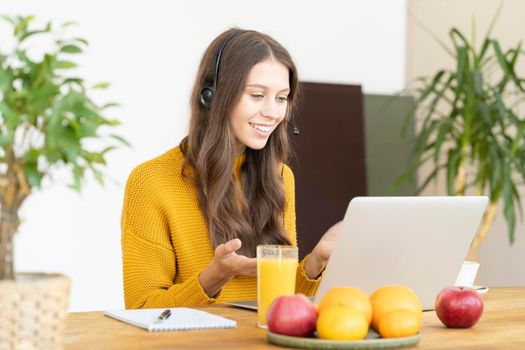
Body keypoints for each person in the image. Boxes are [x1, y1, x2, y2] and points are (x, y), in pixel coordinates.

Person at [121, 28, 342, 309]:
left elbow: (279, 302)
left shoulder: (280, 176)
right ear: (212, 96)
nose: (273, 112)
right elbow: (143, 308)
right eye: (257, 95)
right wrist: (215, 277)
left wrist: (316, 261)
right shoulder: (152, 181)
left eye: (281, 98)